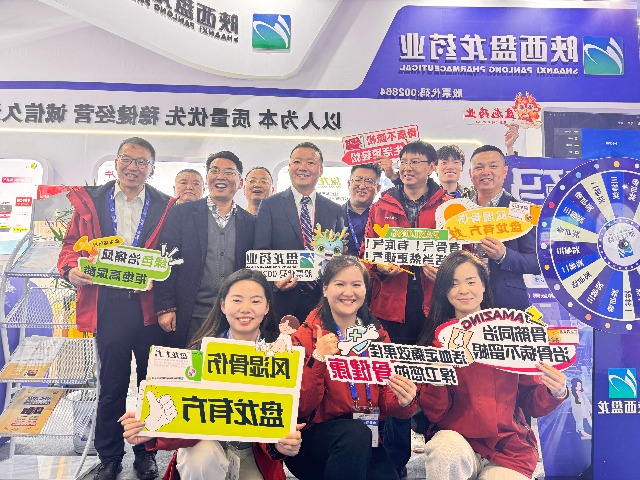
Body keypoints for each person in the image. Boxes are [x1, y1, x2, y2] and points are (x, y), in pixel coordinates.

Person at [57, 137, 175, 480]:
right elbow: (69, 246)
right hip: (107, 304)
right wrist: (70, 269)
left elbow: (174, 254)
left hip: (149, 307)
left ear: (151, 169)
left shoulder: (165, 206)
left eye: (141, 162)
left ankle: (146, 453)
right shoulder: (91, 203)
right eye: (127, 159)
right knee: (111, 384)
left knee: (151, 384)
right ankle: (109, 456)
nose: (133, 167)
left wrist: (165, 295)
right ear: (116, 163)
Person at [120, 269, 303, 480]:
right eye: (237, 300)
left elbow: (284, 418)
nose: (245, 308)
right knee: (201, 457)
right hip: (203, 448)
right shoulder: (199, 352)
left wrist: (282, 444)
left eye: (255, 301)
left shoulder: (281, 355)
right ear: (223, 305)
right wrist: (149, 427)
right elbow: (179, 414)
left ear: (267, 307)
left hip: (254, 456)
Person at [417, 250, 568, 480]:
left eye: (471, 281)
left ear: (484, 285)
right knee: (445, 450)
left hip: (508, 450)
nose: (463, 290)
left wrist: (555, 392)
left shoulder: (512, 335)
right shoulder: (437, 341)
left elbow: (531, 402)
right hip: (457, 441)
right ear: (444, 291)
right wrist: (437, 379)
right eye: (454, 284)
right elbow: (434, 413)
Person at [286, 255, 417, 480]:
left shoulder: (377, 334)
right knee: (355, 433)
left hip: (367, 437)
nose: (349, 292)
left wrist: (404, 400)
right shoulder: (304, 336)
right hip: (311, 442)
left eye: (356, 285)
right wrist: (318, 359)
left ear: (365, 289)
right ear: (325, 289)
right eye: (340, 284)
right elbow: (300, 408)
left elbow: (387, 398)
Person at [362, 141, 449, 477]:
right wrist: (379, 267)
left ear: (431, 167)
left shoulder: (449, 206)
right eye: (404, 161)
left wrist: (445, 271)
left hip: (434, 309)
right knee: (393, 381)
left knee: (436, 379)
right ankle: (394, 461)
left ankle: (443, 454)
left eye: (416, 161)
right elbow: (367, 252)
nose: (408, 167)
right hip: (390, 308)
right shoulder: (381, 204)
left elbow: (463, 253)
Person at [155, 151, 255, 348]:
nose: (220, 176)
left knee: (228, 366)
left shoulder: (250, 222)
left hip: (234, 316)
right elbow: (165, 260)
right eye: (214, 171)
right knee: (190, 366)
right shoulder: (181, 213)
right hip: (190, 313)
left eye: (229, 172)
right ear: (207, 177)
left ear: (240, 182)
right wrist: (165, 307)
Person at [253, 142, 344, 322]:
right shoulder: (270, 205)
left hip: (323, 300)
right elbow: (261, 251)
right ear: (289, 167)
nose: (302, 167)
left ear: (321, 170)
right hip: (281, 300)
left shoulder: (334, 209)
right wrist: (274, 281)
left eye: (310, 162)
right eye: (297, 162)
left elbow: (340, 253)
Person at [468, 145, 540, 310]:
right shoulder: (460, 211)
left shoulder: (524, 212)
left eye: (493, 166)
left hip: (507, 302)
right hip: (464, 300)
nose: (486, 172)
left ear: (505, 171)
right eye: (479, 167)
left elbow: (537, 262)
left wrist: (504, 255)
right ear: (471, 174)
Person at [343, 163, 382, 256]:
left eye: (369, 181)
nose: (362, 186)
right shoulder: (333, 216)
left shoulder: (384, 217)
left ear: (377, 188)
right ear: (349, 184)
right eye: (358, 180)